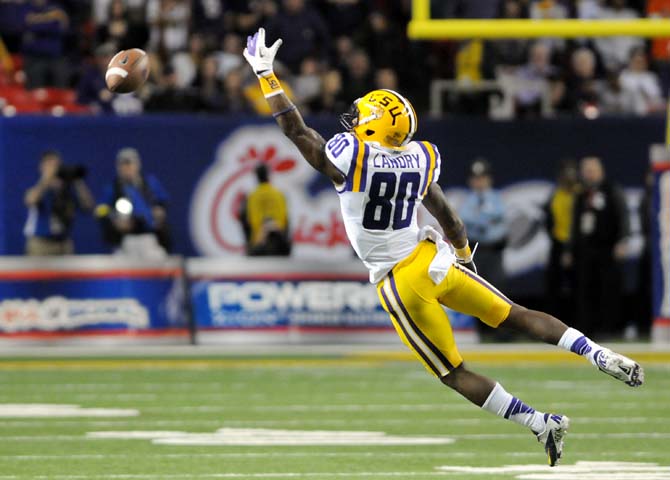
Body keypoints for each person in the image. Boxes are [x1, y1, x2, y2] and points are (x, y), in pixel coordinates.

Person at [243, 28, 644, 468]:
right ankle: (595, 351)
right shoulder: (419, 157)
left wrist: (267, 75)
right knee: (515, 315)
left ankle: (538, 422)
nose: (355, 121)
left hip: (401, 280)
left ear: (372, 123)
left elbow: (296, 130)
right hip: (435, 257)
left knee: (453, 372)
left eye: (362, 116)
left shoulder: (350, 155)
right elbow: (449, 217)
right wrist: (464, 258)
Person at [569, 156, 629, 337]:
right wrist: (569, 249)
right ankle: (587, 329)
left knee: (607, 290)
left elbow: (622, 215)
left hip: (607, 249)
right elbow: (574, 224)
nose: (589, 174)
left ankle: (608, 328)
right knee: (585, 290)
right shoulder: (580, 194)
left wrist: (622, 240)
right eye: (586, 170)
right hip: (585, 250)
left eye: (592, 170)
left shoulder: (612, 190)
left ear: (600, 171)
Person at [96, 148, 171, 258]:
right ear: (118, 167)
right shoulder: (112, 188)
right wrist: (113, 218)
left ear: (137, 165)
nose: (127, 168)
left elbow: (163, 201)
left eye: (129, 164)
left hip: (149, 238)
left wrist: (159, 210)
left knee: (160, 260)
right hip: (126, 240)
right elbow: (99, 210)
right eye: (123, 165)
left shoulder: (150, 183)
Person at [23, 150, 94, 255]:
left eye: (56, 165)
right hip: (40, 244)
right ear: (42, 167)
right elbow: (30, 200)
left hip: (63, 243)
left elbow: (89, 206)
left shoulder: (67, 190)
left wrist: (77, 181)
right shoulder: (39, 189)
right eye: (50, 165)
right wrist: (46, 179)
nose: (54, 169)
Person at [459, 159, 508, 290]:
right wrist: (486, 218)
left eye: (482, 178)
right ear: (470, 181)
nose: (479, 182)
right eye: (476, 178)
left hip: (495, 252)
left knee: (497, 290)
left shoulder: (497, 197)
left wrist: (478, 218)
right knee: (476, 288)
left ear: (489, 179)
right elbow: (465, 218)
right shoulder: (467, 200)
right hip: (476, 252)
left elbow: (500, 214)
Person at [544, 159, 579, 319]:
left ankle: (579, 322)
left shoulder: (580, 194)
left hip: (577, 246)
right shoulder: (555, 194)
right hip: (558, 243)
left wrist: (571, 249)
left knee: (577, 287)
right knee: (553, 285)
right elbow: (549, 218)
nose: (568, 177)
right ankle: (554, 321)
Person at [239, 164, 291, 256]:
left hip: (258, 245)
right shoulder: (279, 195)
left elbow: (244, 220)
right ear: (268, 176)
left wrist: (248, 243)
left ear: (257, 177)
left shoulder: (251, 197)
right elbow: (286, 221)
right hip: (279, 245)